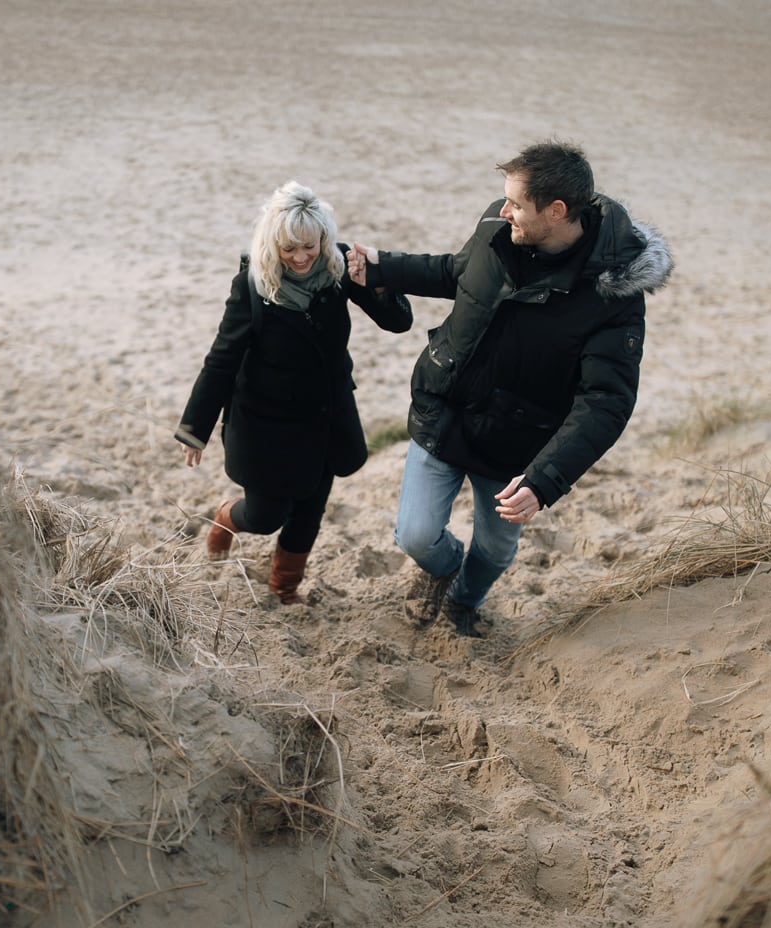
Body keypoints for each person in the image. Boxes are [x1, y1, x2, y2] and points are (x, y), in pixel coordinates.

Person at [346, 142, 672, 636]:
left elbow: (605, 403)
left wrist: (544, 481)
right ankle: (443, 569)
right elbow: (458, 273)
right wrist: (382, 267)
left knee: (496, 550)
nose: (504, 211)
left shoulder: (612, 300)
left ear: (557, 211)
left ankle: (464, 600)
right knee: (415, 535)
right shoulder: (499, 229)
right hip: (446, 410)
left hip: (514, 445)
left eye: (517, 204)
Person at [176, 181, 412, 604]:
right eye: (289, 249)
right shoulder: (253, 285)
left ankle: (284, 588)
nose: (302, 258)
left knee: (309, 509)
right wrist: (195, 428)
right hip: (266, 422)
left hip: (325, 415)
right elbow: (222, 358)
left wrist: (376, 280)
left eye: (311, 245)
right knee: (266, 517)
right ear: (272, 244)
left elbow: (396, 323)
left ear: (324, 237)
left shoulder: (339, 267)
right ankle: (227, 517)